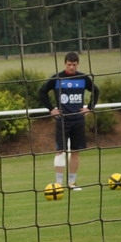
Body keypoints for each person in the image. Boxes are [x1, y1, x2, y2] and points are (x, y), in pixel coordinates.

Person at [37, 51, 100, 191]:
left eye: (74, 64)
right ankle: (58, 184)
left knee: (75, 152)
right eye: (69, 64)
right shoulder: (57, 78)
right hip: (62, 121)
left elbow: (96, 91)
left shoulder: (83, 78)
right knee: (60, 151)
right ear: (65, 63)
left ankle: (72, 183)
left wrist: (89, 108)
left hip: (78, 121)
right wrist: (51, 109)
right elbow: (42, 92)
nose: (71, 67)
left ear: (78, 64)